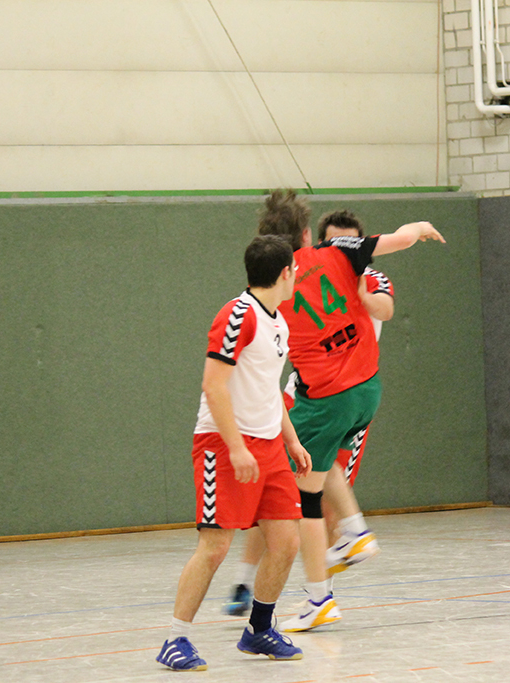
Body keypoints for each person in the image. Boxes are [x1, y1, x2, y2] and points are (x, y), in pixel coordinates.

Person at [256, 190, 444, 632]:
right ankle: (354, 533)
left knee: (303, 498)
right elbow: (401, 239)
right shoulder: (341, 251)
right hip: (367, 387)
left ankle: (320, 596)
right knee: (322, 467)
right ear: (307, 233)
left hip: (325, 398)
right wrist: (419, 227)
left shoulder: (273, 288)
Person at [224, 210, 396, 617]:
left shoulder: (368, 275)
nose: (341, 246)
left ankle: (324, 588)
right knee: (287, 490)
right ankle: (256, 582)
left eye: (350, 241)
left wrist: (361, 295)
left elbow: (385, 308)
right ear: (314, 240)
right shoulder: (294, 278)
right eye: (333, 239)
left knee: (315, 495)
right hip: (308, 390)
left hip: (345, 391)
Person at [156, 236, 312, 671]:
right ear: (286, 273)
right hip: (222, 445)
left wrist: (291, 440)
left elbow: (268, 389)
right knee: (215, 546)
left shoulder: (278, 323)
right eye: (296, 270)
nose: (297, 276)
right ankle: (175, 639)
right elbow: (213, 385)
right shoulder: (236, 315)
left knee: (286, 541)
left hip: (269, 447)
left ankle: (259, 630)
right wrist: (237, 447)